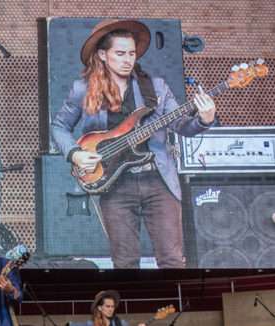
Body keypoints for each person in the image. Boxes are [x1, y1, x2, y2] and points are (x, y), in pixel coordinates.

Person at [51, 19, 216, 269]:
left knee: (172, 260)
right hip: (114, 184)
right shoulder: (82, 89)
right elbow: (59, 127)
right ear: (103, 55)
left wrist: (205, 119)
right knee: (125, 262)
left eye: (131, 53)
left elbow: (181, 125)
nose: (128, 59)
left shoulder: (155, 87)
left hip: (157, 180)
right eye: (120, 53)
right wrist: (75, 154)